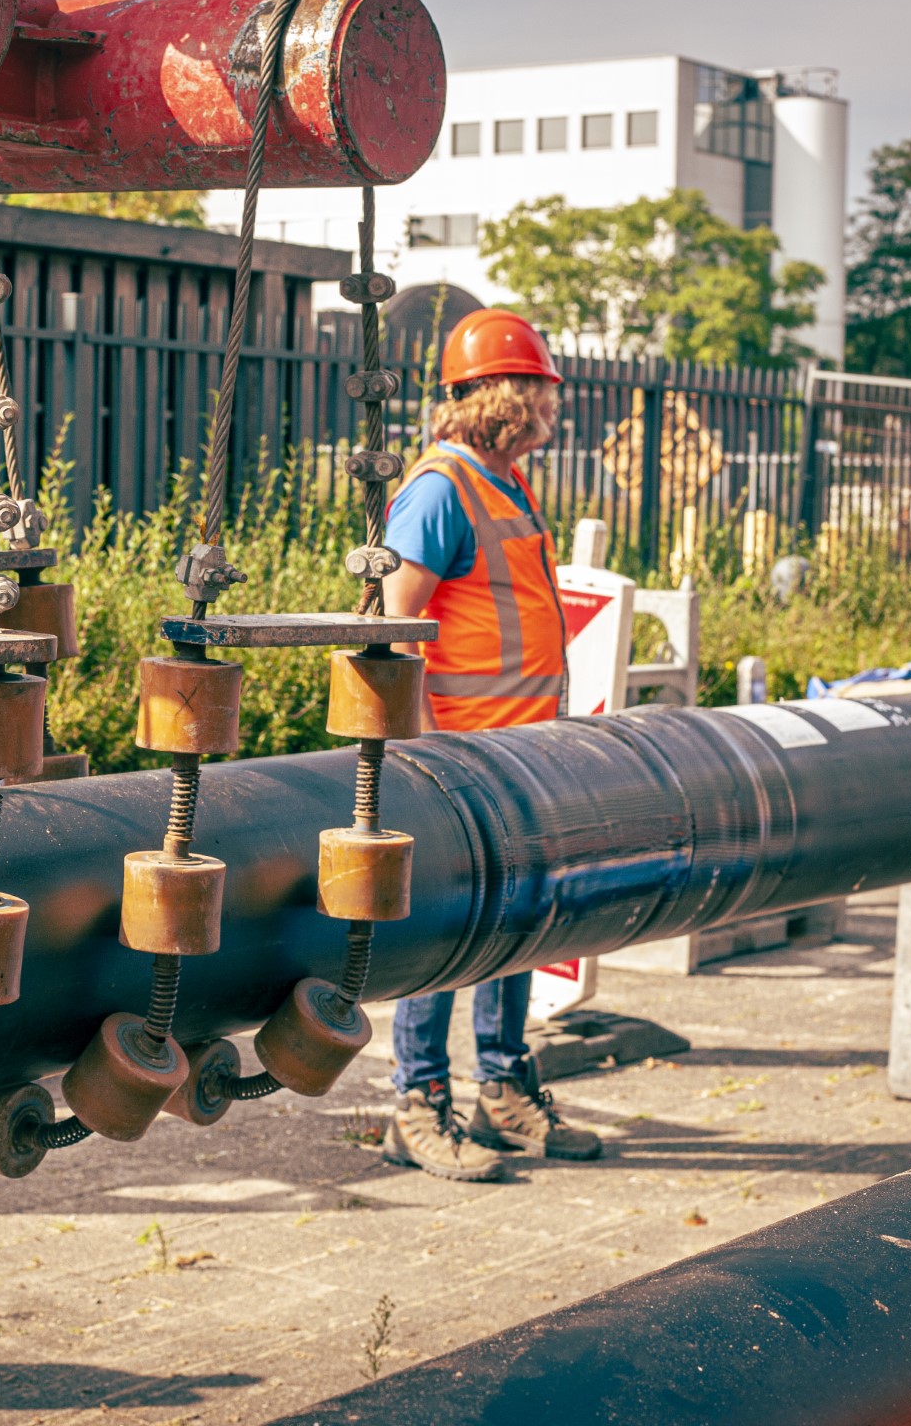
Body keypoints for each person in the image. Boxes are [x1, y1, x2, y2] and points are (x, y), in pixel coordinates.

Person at [375, 308, 602, 1182]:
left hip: (522, 754)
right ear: (504, 395)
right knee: (448, 933)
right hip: (460, 763)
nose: (554, 405)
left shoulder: (505, 482)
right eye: (542, 389)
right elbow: (395, 626)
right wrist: (428, 757)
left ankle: (502, 1090)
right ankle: (417, 1105)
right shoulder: (442, 489)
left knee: (518, 927)